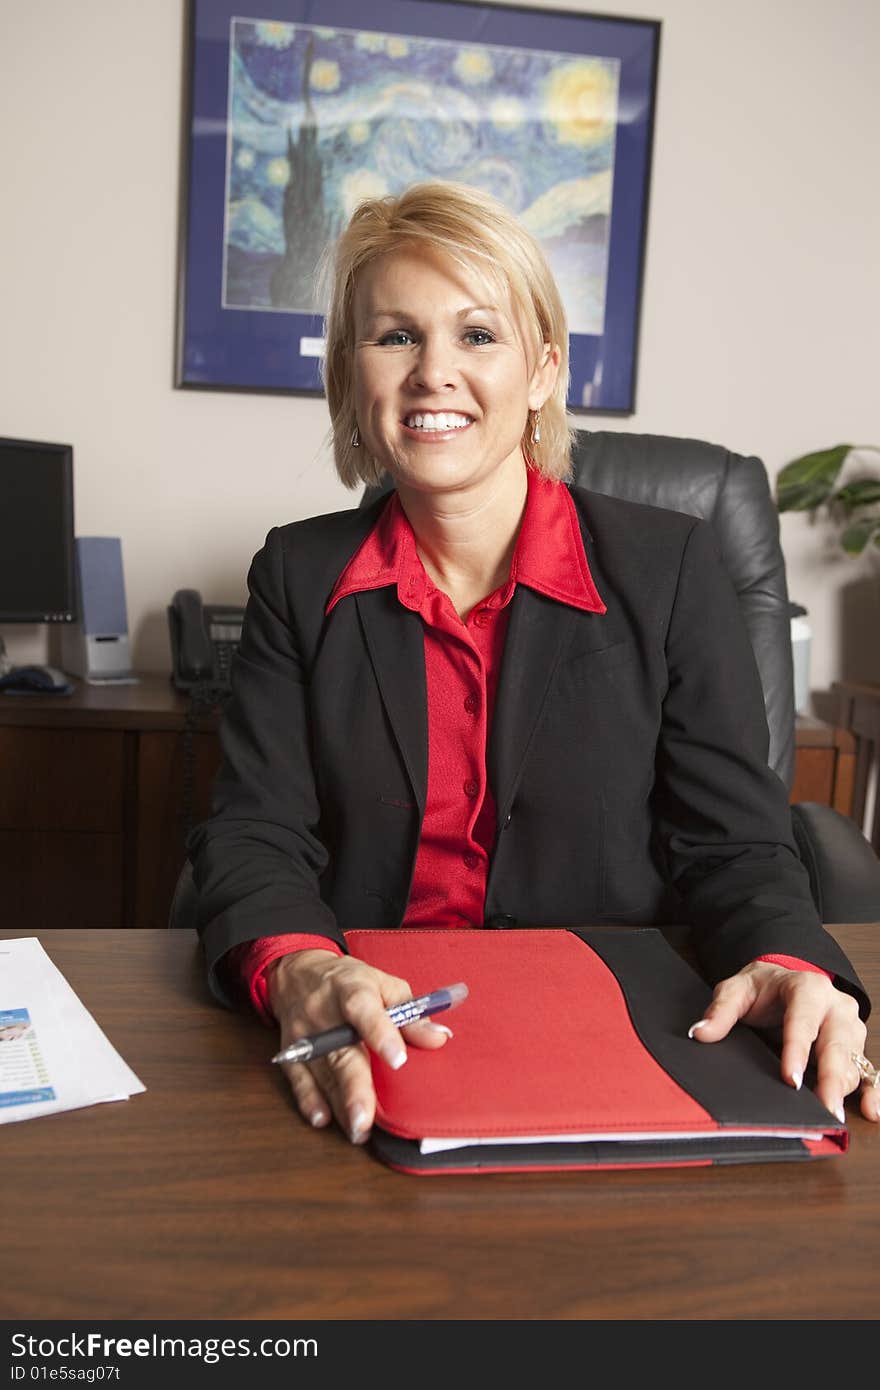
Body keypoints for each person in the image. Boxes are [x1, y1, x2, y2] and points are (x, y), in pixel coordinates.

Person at [189, 180, 877, 1146]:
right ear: (352, 376)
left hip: (613, 1021)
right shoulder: (300, 576)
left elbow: (734, 844)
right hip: (378, 1028)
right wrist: (300, 963)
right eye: (394, 337)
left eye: (478, 336)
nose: (433, 372)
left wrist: (789, 961)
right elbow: (256, 831)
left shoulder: (670, 569)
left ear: (543, 370)